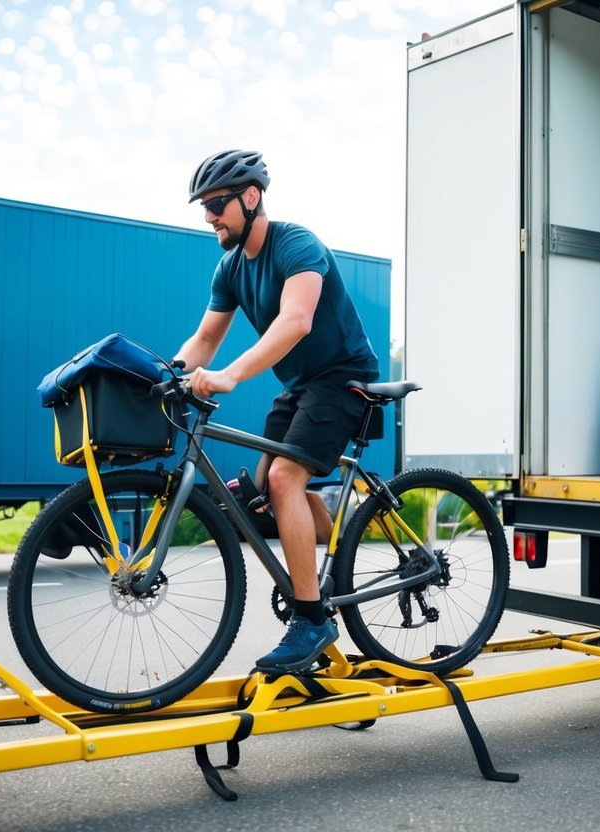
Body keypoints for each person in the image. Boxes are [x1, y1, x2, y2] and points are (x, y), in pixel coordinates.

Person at [174, 149, 380, 673]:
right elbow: (204, 338)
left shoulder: (296, 244)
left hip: (343, 378)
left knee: (285, 479)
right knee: (263, 497)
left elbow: (296, 321)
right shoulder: (229, 268)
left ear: (251, 197)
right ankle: (335, 546)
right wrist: (169, 375)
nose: (208, 216)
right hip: (299, 386)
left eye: (216, 203)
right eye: (203, 206)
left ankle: (312, 619)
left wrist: (231, 375)